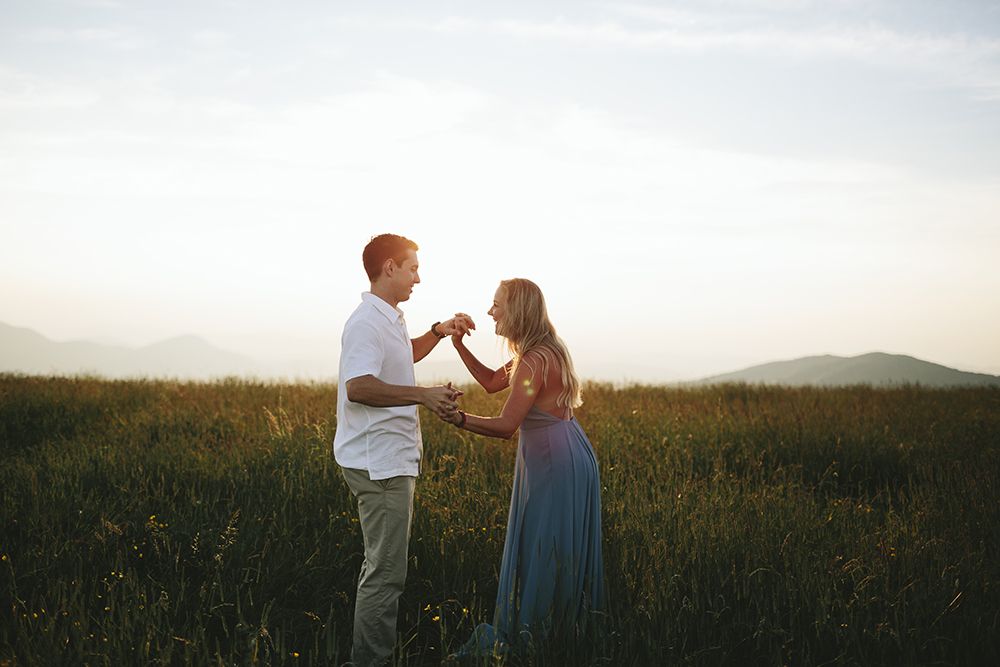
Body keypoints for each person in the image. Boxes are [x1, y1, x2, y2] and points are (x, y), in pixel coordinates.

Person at [443, 278, 605, 656]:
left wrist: (458, 419)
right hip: (567, 450)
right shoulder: (542, 350)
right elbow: (491, 382)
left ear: (516, 310)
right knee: (555, 549)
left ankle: (539, 639)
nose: (489, 312)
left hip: (554, 462)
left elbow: (505, 426)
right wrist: (458, 345)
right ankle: (559, 636)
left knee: (545, 548)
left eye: (496, 304)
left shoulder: (534, 360)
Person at [334, 233, 475, 667]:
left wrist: (437, 331)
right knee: (386, 575)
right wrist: (423, 396)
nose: (419, 276)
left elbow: (402, 357)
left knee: (382, 567)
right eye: (412, 267)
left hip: (389, 461)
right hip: (380, 467)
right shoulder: (366, 322)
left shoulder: (389, 318)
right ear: (389, 268)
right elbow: (358, 386)